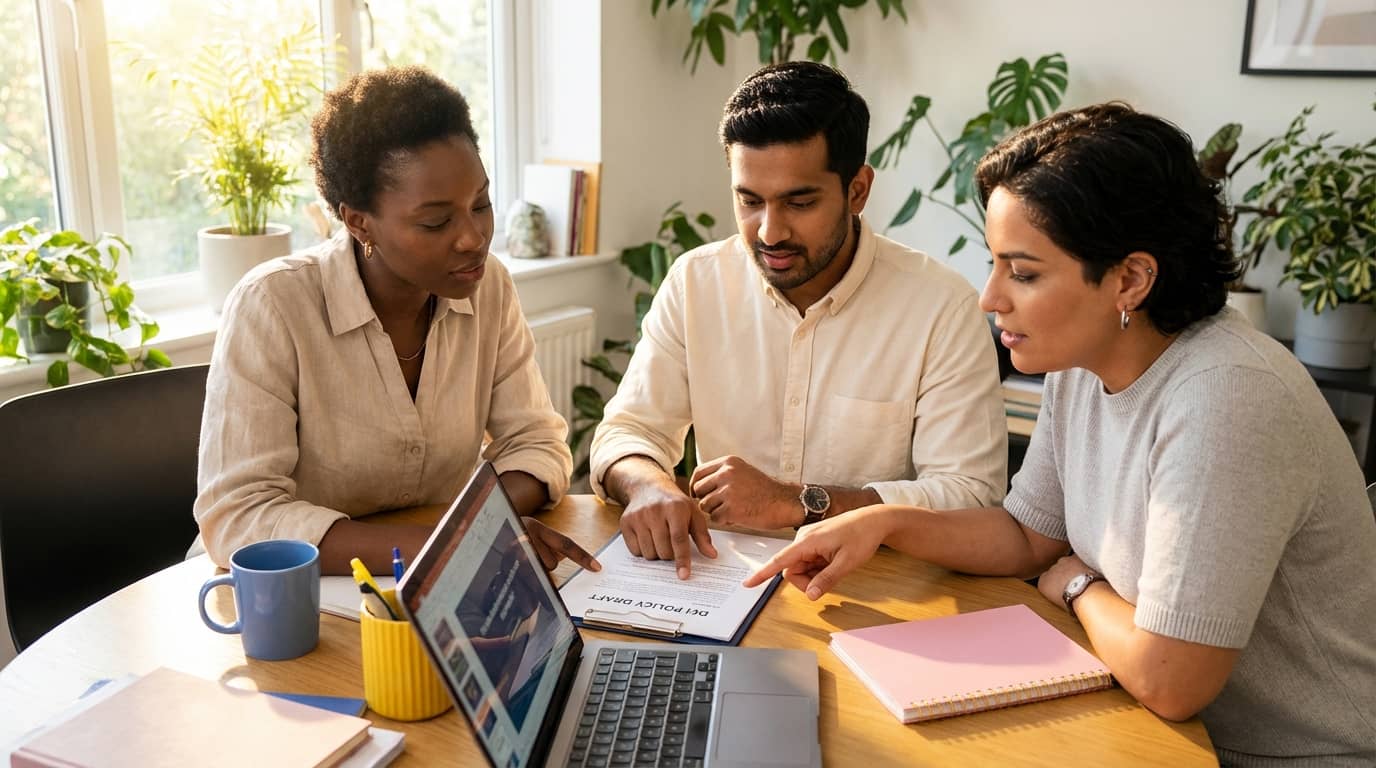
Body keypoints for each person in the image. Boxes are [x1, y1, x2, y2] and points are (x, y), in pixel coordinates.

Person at [745, 103, 1376, 765]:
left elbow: (1170, 679)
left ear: (1130, 279)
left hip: (1296, 756)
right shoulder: (1083, 363)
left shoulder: (1227, 398)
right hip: (1156, 726)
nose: (990, 298)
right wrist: (885, 522)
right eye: (995, 265)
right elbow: (1028, 538)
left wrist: (1079, 587)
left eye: (1023, 273)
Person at [589, 61, 1006, 580]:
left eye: (799, 202)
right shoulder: (695, 282)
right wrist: (648, 485)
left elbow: (972, 498)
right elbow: (628, 430)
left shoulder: (941, 307)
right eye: (749, 201)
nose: (769, 232)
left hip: (872, 590)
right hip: (721, 584)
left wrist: (799, 501)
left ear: (857, 190)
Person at [194, 66, 598, 576]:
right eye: (436, 222)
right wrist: (448, 545)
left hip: (436, 589)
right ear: (359, 222)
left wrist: (476, 532)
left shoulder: (489, 285)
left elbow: (537, 444)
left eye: (481, 204)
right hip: (284, 595)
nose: (473, 238)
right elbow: (240, 516)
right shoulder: (272, 305)